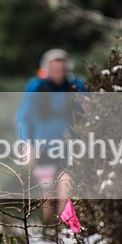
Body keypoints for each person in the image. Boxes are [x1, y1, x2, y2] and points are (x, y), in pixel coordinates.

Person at [16, 49, 87, 226]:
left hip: (69, 147)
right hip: (43, 148)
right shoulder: (36, 87)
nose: (58, 73)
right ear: (47, 69)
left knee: (66, 185)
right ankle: (47, 229)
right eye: (54, 68)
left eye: (62, 69)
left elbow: (90, 111)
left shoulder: (77, 86)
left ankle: (61, 227)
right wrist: (27, 144)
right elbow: (24, 117)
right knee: (48, 193)